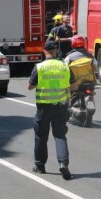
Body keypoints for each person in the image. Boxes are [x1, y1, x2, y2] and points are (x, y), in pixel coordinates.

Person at [28, 40, 77, 179]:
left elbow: (30, 87)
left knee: (41, 136)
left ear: (44, 51)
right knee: (60, 135)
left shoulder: (40, 67)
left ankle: (40, 166)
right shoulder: (64, 66)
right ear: (56, 51)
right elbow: (74, 86)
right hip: (61, 107)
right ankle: (63, 164)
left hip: (44, 107)